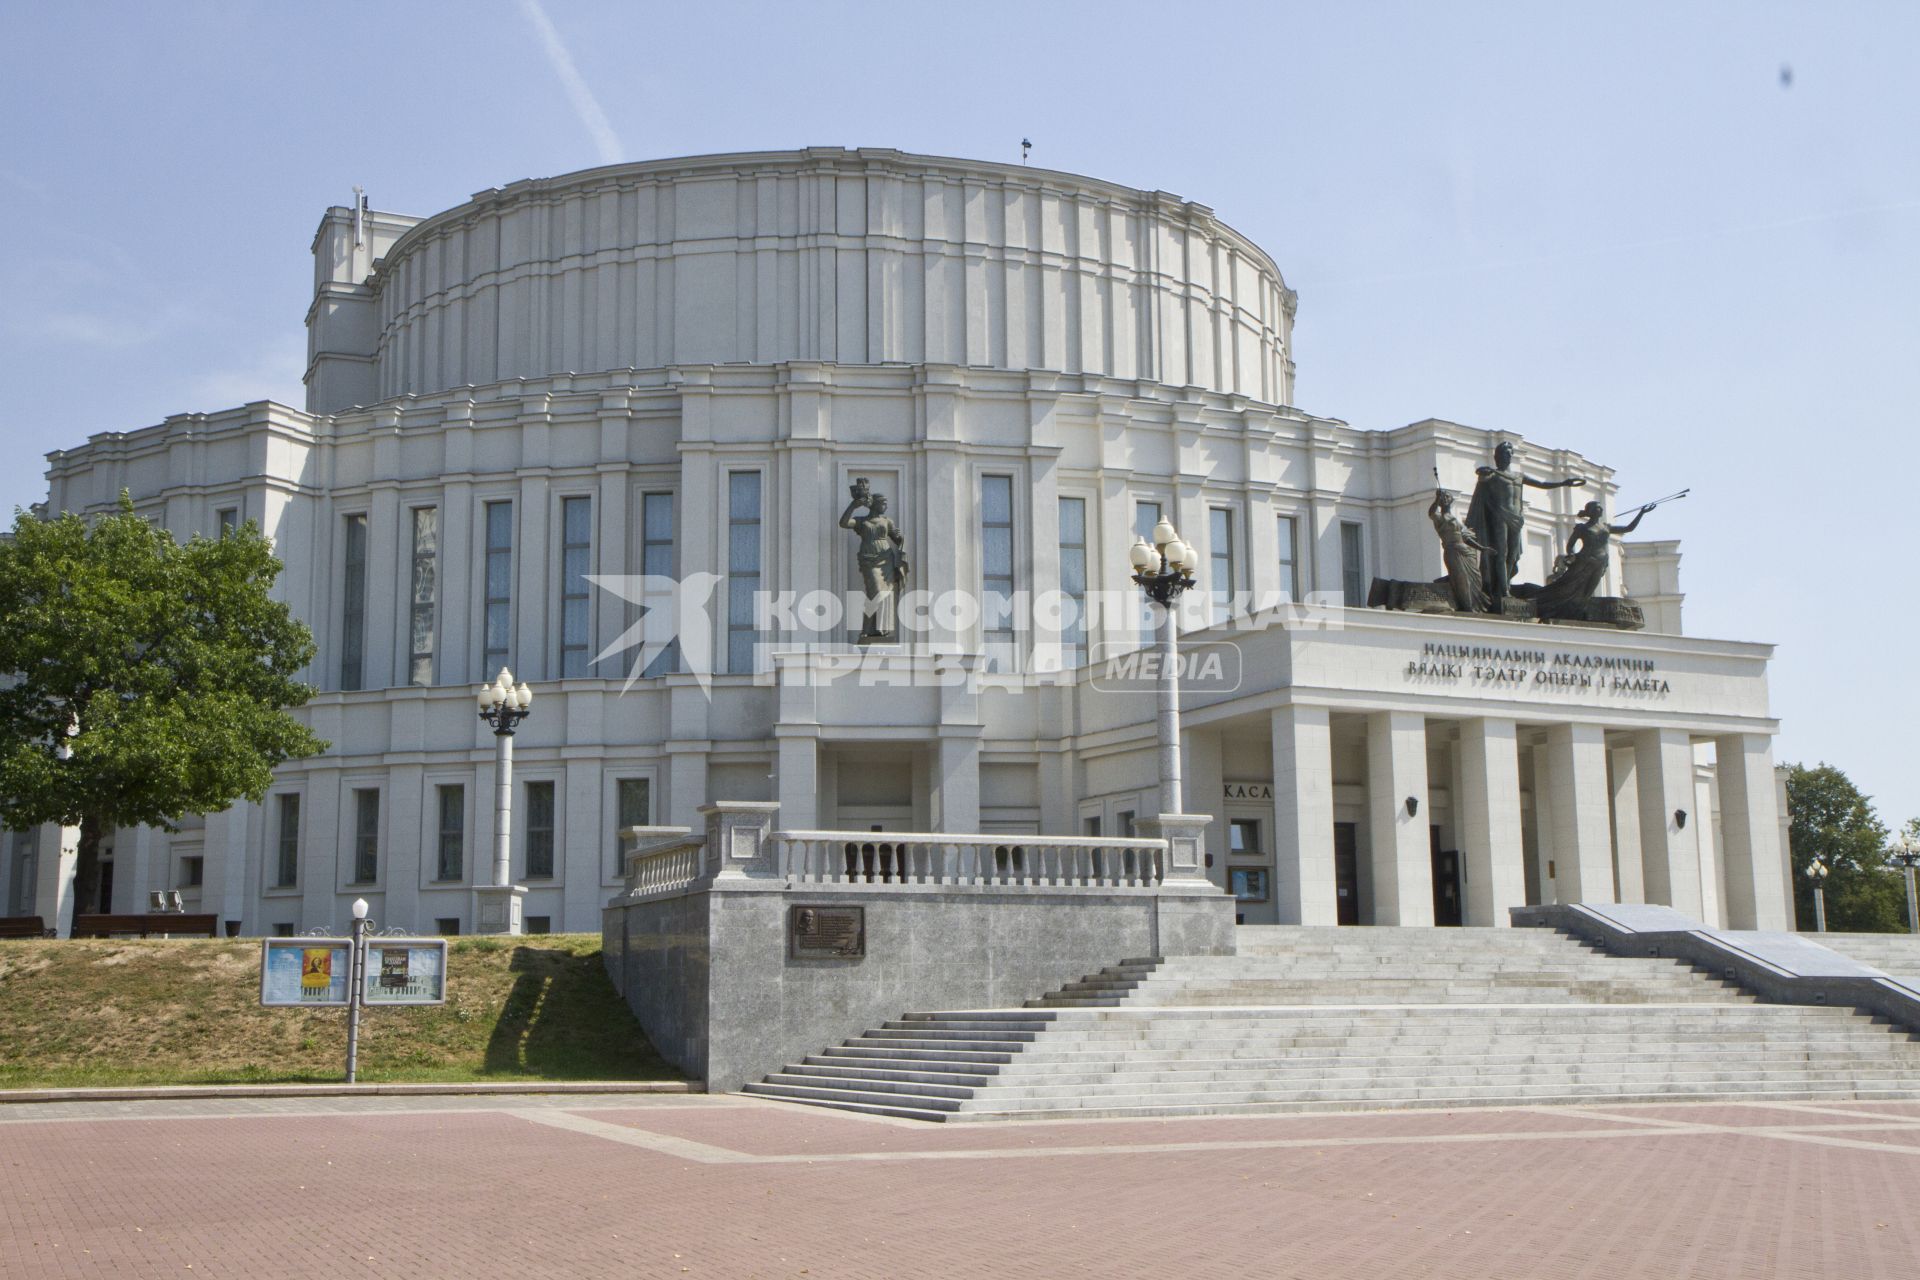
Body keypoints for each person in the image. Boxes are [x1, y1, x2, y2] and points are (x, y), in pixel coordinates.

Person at [1465, 441, 1583, 609]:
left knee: (1513, 555)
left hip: (1516, 519)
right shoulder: (1494, 475)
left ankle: (1505, 584)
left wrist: (1563, 483)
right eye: (1504, 453)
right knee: (1501, 552)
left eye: (1509, 453)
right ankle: (1503, 591)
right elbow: (1481, 476)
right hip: (1500, 516)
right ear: (1497, 457)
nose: (1508, 456)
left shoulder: (1519, 477)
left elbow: (1542, 484)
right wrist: (1483, 473)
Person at [1528, 500, 1652, 619]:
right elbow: (1570, 545)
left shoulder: (1606, 527)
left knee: (1589, 589)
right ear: (1591, 511)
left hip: (1600, 563)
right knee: (1571, 587)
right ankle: (1560, 608)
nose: (1601, 509)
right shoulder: (1582, 528)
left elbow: (1629, 528)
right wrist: (1571, 554)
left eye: (1600, 507)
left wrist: (1641, 513)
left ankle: (1578, 610)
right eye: (1597, 507)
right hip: (1585, 561)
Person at [840, 483, 910, 642]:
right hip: (868, 559)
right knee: (876, 592)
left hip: (886, 558)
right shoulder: (862, 521)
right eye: (882, 503)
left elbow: (897, 539)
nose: (885, 506)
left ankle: (878, 631)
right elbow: (843, 523)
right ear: (874, 504)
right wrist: (853, 505)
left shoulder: (887, 521)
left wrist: (900, 539)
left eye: (886, 503)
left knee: (885, 595)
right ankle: (867, 629)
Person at [1428, 489, 1488, 612]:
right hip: (1452, 551)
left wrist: (1482, 548)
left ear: (1452, 500)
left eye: (1447, 497)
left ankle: (1475, 606)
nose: (1445, 499)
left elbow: (1466, 537)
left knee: (1476, 579)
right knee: (1461, 579)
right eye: (1443, 497)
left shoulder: (1455, 520)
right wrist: (1436, 499)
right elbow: (1431, 513)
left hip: (1466, 552)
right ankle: (1467, 607)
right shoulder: (1439, 517)